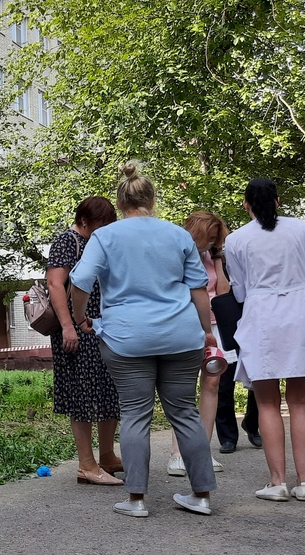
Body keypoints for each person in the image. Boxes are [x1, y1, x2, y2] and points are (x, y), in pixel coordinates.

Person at [69, 162, 217, 518]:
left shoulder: (106, 236)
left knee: (135, 414)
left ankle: (136, 500)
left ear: (121, 204)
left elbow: (79, 283)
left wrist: (79, 318)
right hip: (181, 336)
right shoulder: (178, 235)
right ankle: (201, 496)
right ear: (153, 199)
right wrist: (207, 331)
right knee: (184, 412)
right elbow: (198, 288)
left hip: (126, 338)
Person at [224, 179, 305, 503]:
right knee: (301, 403)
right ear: (278, 201)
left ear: (246, 204)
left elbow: (238, 290)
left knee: (267, 403)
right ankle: (304, 483)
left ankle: (277, 481)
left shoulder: (236, 239)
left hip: (262, 316)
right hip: (301, 313)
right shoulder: (301, 229)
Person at [46, 196, 123, 485]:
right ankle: (86, 464)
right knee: (82, 394)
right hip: (76, 328)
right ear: (84, 222)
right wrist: (68, 327)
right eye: (101, 225)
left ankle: (106, 456)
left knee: (108, 389)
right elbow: (54, 283)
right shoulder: (68, 241)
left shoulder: (99, 243)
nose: (105, 230)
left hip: (100, 326)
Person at [166, 212, 231, 477]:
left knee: (213, 382)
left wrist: (216, 256)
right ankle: (177, 453)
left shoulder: (209, 256)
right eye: (212, 238)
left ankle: (202, 450)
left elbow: (223, 291)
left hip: (213, 326)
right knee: (182, 388)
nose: (214, 242)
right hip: (186, 324)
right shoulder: (176, 252)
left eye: (217, 239)